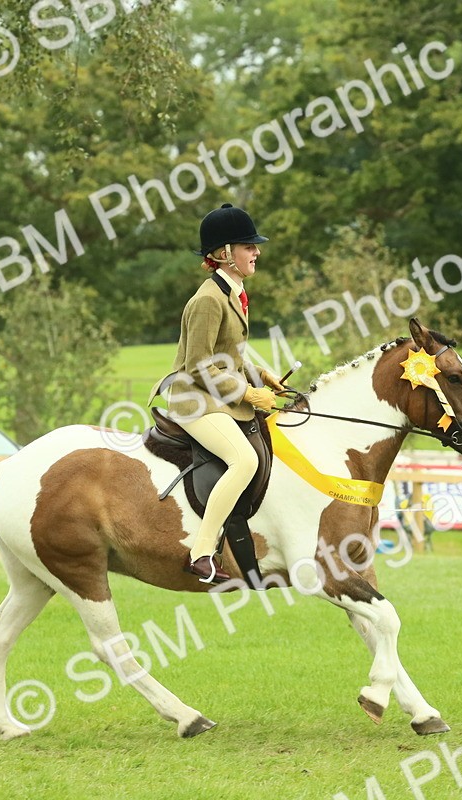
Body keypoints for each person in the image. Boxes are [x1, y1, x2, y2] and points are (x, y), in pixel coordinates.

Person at [154, 204, 284, 584]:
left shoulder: (233, 292)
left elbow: (228, 356)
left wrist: (261, 374)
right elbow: (198, 365)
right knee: (244, 460)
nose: (256, 252)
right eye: (248, 246)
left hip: (217, 395)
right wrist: (248, 394)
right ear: (225, 253)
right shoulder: (207, 300)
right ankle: (201, 551)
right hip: (194, 400)